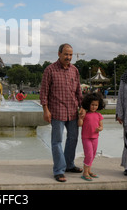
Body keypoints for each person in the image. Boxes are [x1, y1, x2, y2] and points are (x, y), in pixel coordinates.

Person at [40, 43, 84, 183]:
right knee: (57, 142)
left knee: (73, 139)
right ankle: (59, 170)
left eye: (70, 54)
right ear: (59, 54)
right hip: (57, 112)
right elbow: (44, 92)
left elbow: (78, 91)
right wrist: (45, 110)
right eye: (66, 54)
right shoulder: (50, 70)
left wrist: (82, 106)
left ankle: (69, 165)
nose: (68, 57)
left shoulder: (75, 70)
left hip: (72, 111)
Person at [77, 92, 104, 181]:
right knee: (88, 154)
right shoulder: (85, 114)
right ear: (88, 104)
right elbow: (80, 124)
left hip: (95, 137)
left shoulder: (98, 115)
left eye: (96, 105)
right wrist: (80, 118)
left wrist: (99, 128)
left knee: (92, 155)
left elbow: (101, 126)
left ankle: (89, 170)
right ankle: (85, 172)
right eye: (92, 105)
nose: (94, 107)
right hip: (86, 138)